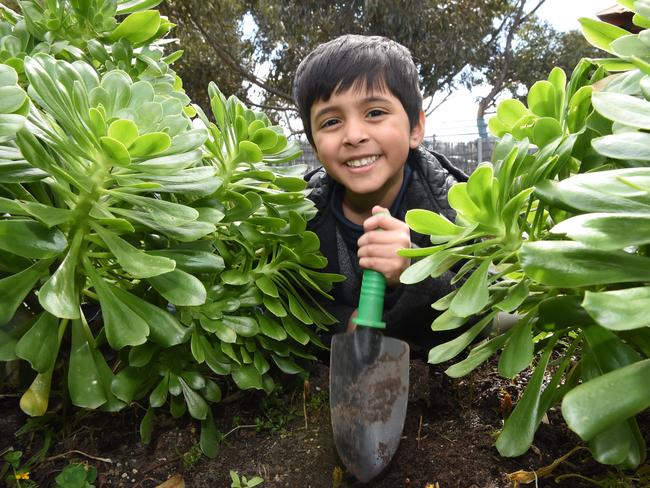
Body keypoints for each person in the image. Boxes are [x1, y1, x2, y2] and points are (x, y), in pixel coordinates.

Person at [293, 34, 469, 357]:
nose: (355, 136)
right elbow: (289, 305)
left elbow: (482, 312)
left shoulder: (457, 208)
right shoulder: (300, 218)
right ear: (316, 147)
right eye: (331, 121)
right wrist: (343, 323)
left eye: (374, 113)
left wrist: (416, 270)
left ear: (415, 128)